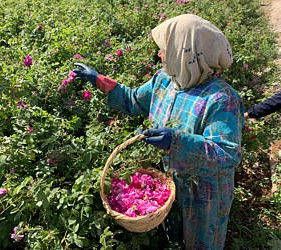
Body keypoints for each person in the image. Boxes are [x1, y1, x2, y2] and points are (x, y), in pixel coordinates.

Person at [73, 14, 245, 250]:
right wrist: (99, 80)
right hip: (170, 183)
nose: (159, 54)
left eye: (165, 48)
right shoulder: (165, 81)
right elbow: (133, 100)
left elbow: (225, 155)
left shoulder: (220, 100)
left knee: (201, 242)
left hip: (203, 194)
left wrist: (176, 142)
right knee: (172, 233)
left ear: (185, 52)